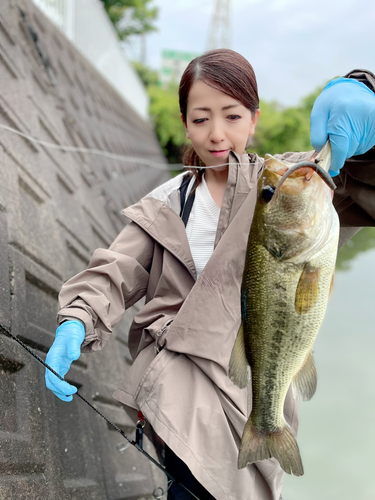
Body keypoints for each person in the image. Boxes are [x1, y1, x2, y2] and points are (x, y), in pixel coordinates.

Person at [45, 49, 375, 500]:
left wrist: (365, 94)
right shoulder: (168, 201)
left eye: (232, 116)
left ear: (255, 119)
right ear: (184, 122)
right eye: (201, 119)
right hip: (176, 398)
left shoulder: (293, 182)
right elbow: (113, 270)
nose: (217, 134)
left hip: (253, 392)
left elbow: (362, 181)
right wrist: (76, 318)